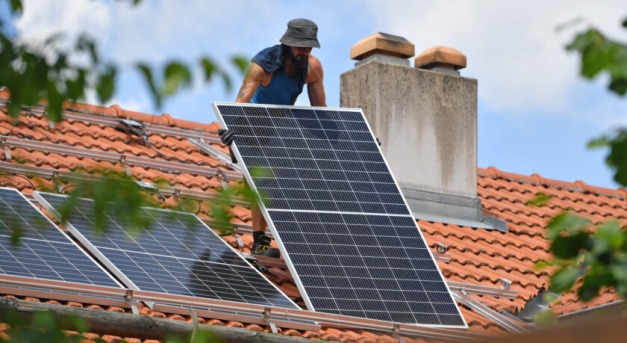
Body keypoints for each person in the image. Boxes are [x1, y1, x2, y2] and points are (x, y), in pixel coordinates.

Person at [219, 18, 327, 257]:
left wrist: (350, 138)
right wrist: (229, 130)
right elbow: (239, 103)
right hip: (252, 125)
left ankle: (298, 237)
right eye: (301, 47)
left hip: (281, 125)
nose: (305, 52)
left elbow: (322, 112)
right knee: (260, 180)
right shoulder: (263, 65)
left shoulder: (312, 69)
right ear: (288, 45)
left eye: (309, 47)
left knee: (297, 176)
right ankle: (260, 240)